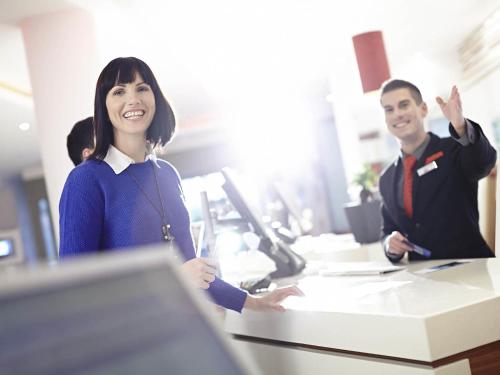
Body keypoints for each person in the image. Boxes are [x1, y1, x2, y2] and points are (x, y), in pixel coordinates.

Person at [59, 57, 302, 312]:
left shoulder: (167, 175)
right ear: (104, 107)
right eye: (119, 91)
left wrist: (249, 301)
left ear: (155, 98)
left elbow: (192, 269)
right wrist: (172, 278)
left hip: (180, 326)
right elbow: (77, 287)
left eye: (142, 88)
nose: (133, 99)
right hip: (126, 339)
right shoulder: (86, 180)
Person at [379, 79, 496, 262]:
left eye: (404, 105)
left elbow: (483, 163)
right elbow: (388, 230)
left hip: (469, 269)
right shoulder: (387, 178)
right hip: (422, 278)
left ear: (423, 109)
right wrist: (390, 244)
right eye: (389, 109)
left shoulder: (453, 149)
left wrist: (461, 127)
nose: (397, 114)